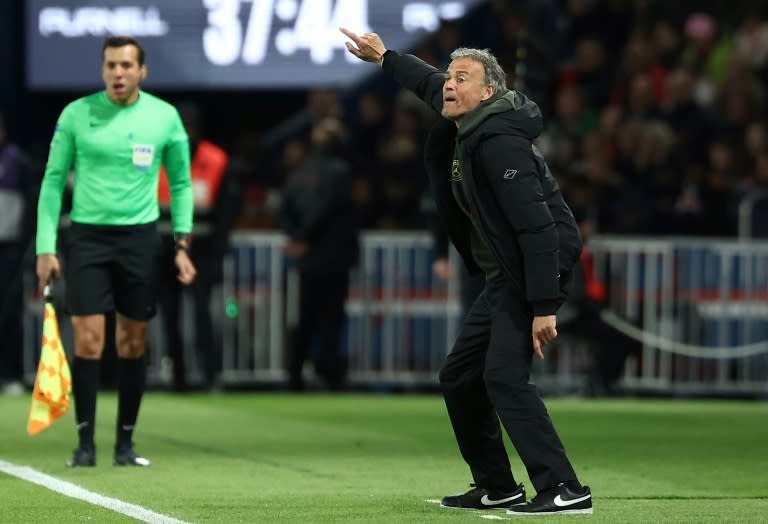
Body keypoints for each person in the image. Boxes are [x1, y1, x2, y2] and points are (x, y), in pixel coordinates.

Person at [341, 28, 592, 515]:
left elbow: (540, 230)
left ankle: (565, 487)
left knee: (503, 378)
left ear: (488, 93)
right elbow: (426, 82)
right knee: (460, 377)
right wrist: (385, 57)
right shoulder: (471, 118)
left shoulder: (500, 143)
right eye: (450, 77)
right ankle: (497, 485)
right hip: (504, 276)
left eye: (462, 78)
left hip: (531, 268)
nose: (448, 85)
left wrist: (544, 306)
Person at [35, 36, 196, 467]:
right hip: (87, 238)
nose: (117, 73)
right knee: (88, 341)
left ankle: (125, 445)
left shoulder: (164, 117)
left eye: (126, 65)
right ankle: (84, 446)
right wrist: (45, 247)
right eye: (110, 65)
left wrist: (182, 244)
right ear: (103, 69)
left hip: (140, 239)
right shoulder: (76, 114)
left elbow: (180, 184)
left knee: (132, 342)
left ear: (142, 71)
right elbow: (52, 181)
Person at [156, 103, 243, 391]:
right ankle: (178, 378)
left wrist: (219, 253)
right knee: (170, 315)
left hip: (201, 252)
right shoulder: (159, 157)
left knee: (201, 315)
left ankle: (209, 376)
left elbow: (225, 213)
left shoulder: (215, 159)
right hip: (164, 250)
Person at [278, 117, 359, 391]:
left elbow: (284, 208)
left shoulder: (300, 171)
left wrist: (296, 237)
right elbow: (325, 208)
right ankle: (328, 375)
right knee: (330, 318)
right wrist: (303, 237)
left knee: (305, 317)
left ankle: (295, 375)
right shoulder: (339, 170)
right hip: (331, 254)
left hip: (309, 257)